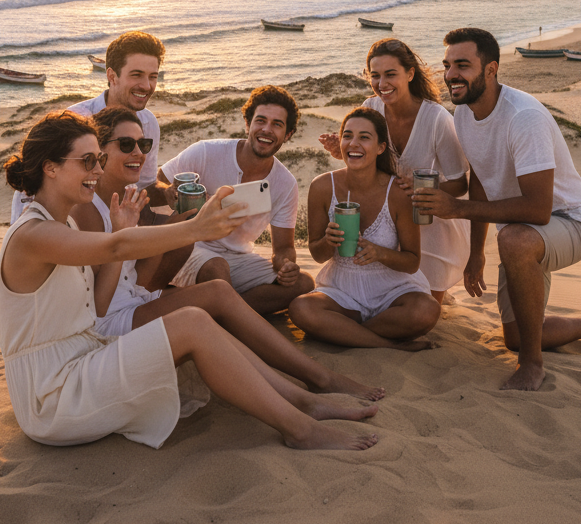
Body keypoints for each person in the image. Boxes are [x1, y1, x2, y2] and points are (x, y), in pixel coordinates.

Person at [0, 110, 379, 451]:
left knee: (200, 314)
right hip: (51, 396)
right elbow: (114, 250)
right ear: (50, 167)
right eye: (87, 161)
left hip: (82, 359)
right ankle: (300, 427)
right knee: (194, 319)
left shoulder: (61, 224)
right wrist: (195, 226)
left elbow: (96, 306)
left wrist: (122, 233)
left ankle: (303, 400)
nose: (97, 169)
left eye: (98, 159)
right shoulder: (33, 234)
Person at [71, 106, 384, 401]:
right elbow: (99, 300)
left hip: (135, 300)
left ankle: (311, 380)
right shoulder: (87, 207)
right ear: (99, 150)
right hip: (110, 322)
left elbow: (146, 255)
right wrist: (177, 228)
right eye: (127, 144)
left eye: (144, 144)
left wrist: (188, 223)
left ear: (287, 134)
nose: (139, 154)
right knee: (216, 288)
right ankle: (314, 381)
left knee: (227, 291)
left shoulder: (124, 196)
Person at [412, 27, 581, 391]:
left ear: (490, 70)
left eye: (463, 65)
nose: (450, 75)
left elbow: (539, 210)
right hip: (523, 232)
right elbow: (479, 179)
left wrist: (456, 209)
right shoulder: (464, 114)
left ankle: (532, 365)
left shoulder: (523, 117)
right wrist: (476, 251)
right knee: (516, 335)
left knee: (513, 240)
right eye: (447, 65)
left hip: (570, 223)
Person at [319, 38, 468, 302]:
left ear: (410, 74)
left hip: (429, 221)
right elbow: (368, 163)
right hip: (387, 216)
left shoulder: (437, 120)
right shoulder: (370, 108)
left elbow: (460, 184)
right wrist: (343, 153)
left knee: (427, 304)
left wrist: (421, 189)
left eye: (390, 74)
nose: (381, 84)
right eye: (374, 75)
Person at [291, 107, 439, 350]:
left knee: (426, 310)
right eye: (347, 136)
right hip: (342, 290)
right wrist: (329, 242)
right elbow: (317, 255)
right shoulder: (322, 187)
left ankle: (346, 334)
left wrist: (379, 252)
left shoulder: (398, 192)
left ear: (380, 147)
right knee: (301, 308)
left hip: (393, 290)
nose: (354, 144)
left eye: (364, 137)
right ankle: (389, 345)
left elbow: (412, 261)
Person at [158, 86, 315, 315]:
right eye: (260, 121)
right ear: (247, 124)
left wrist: (286, 265)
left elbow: (283, 248)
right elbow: (157, 182)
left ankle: (221, 312)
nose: (266, 129)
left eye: (277, 124)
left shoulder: (285, 183)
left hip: (238, 258)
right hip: (188, 248)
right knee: (216, 268)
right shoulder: (206, 152)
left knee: (303, 283)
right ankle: (231, 316)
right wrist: (167, 191)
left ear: (288, 134)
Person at [10, 31, 169, 226]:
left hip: (116, 225)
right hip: (65, 232)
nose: (146, 86)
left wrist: (168, 192)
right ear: (112, 75)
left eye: (153, 77)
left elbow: (144, 186)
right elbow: (32, 185)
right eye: (136, 75)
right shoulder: (76, 122)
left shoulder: (148, 123)